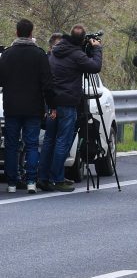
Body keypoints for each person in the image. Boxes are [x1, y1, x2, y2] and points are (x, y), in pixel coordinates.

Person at [38, 25, 102, 193]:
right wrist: (96, 49)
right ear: (81, 40)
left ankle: (43, 177)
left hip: (52, 102)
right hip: (67, 102)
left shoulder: (55, 52)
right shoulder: (76, 55)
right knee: (62, 140)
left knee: (49, 140)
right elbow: (95, 67)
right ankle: (58, 179)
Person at [0, 19, 56, 194]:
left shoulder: (7, 55)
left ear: (16, 33)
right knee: (31, 144)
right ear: (31, 33)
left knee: (11, 145)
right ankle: (31, 181)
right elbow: (47, 84)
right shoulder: (39, 55)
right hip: (33, 107)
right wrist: (52, 106)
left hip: (12, 107)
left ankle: (11, 183)